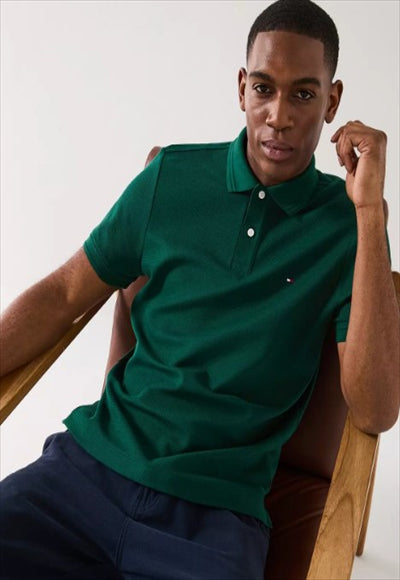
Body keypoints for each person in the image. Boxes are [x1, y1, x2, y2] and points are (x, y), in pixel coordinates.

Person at [1, 0, 399, 578]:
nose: (279, 116)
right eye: (263, 88)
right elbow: (64, 294)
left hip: (213, 518)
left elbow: (376, 409)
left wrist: (369, 215)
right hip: (84, 477)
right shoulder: (170, 178)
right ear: (241, 88)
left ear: (332, 102)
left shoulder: (347, 229)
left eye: (303, 94)